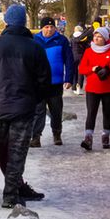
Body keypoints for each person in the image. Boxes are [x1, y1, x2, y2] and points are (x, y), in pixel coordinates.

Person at [0, 5, 51, 208]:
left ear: (6, 22)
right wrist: (34, 99)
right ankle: (11, 195)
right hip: (23, 109)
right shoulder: (34, 47)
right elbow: (44, 80)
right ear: (25, 22)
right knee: (16, 154)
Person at [76, 27, 110, 150]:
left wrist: (109, 70)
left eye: (99, 36)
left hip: (108, 88)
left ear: (105, 38)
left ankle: (105, 136)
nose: (96, 38)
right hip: (92, 88)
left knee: (107, 113)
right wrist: (92, 69)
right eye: (95, 36)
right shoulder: (88, 51)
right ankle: (88, 138)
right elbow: (81, 69)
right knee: (91, 113)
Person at [31, 16, 75, 147]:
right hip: (38, 83)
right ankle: (36, 137)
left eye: (51, 27)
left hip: (55, 82)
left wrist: (68, 78)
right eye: (46, 27)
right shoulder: (34, 40)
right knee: (38, 111)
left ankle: (56, 134)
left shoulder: (61, 40)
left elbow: (69, 60)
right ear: (42, 28)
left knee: (56, 110)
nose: (49, 29)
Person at [70, 24, 91, 95]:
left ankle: (73, 86)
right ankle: (79, 86)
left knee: (74, 71)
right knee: (81, 71)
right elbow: (87, 46)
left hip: (73, 55)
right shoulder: (84, 37)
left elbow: (71, 46)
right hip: (82, 56)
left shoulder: (72, 37)